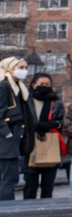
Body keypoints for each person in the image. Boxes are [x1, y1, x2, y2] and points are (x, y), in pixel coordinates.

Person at [23, 73, 64, 199]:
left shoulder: (56, 102)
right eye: (41, 84)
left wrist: (54, 124)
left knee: (48, 185)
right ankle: (28, 212)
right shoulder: (26, 100)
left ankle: (46, 211)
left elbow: (63, 122)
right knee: (30, 185)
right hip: (30, 145)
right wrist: (36, 126)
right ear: (34, 84)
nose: (44, 86)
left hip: (49, 144)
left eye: (47, 84)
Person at [1, 57, 33, 200]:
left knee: (9, 178)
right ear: (10, 68)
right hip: (6, 144)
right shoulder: (4, 86)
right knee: (9, 179)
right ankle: (6, 214)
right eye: (21, 67)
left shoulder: (18, 86)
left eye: (25, 67)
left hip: (13, 142)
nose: (24, 71)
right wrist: (8, 134)